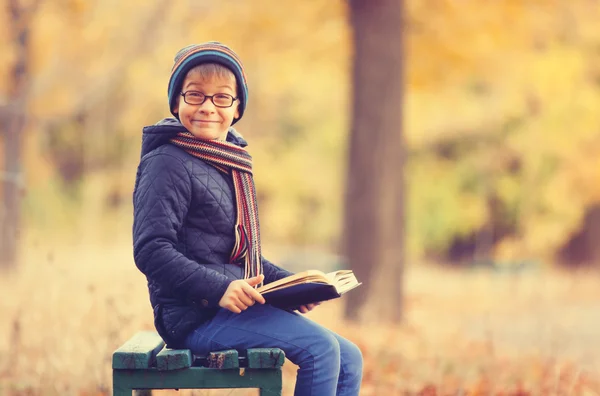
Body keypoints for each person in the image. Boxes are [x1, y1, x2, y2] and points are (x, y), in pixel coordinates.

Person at [132, 42, 363, 395]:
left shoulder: (230, 163)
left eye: (222, 98)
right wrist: (219, 289)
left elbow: (238, 258)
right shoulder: (167, 161)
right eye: (195, 96)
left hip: (228, 311)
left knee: (350, 357)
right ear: (177, 102)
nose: (208, 107)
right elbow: (150, 250)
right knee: (321, 350)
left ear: (237, 107)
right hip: (194, 317)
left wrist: (294, 286)